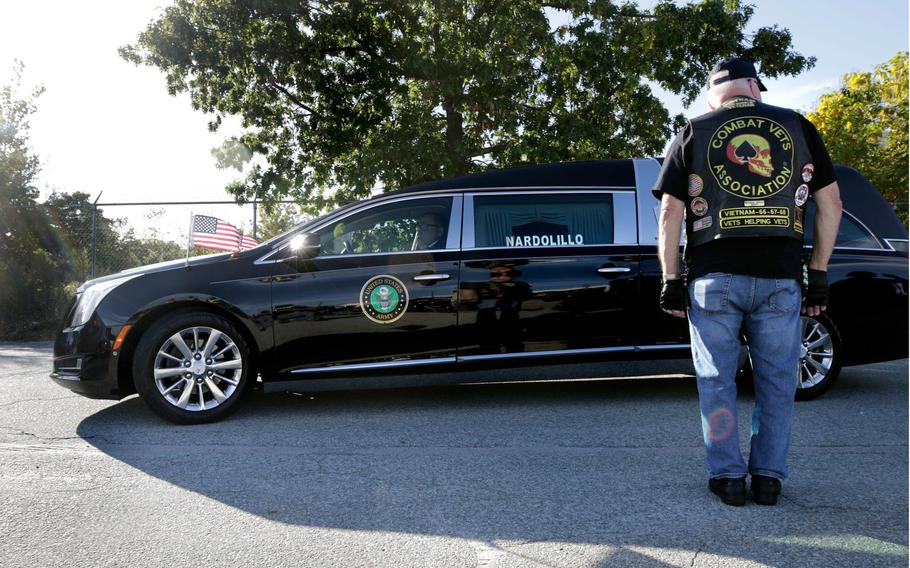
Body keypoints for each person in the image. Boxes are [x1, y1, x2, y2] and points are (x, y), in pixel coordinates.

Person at [652, 57, 842, 506]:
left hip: (712, 278)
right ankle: (769, 479)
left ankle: (728, 479)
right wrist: (817, 274)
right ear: (755, 88)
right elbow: (831, 204)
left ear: (713, 92)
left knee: (716, 380)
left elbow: (669, 213)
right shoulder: (796, 126)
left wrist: (670, 280)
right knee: (778, 383)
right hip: (780, 277)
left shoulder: (694, 131)